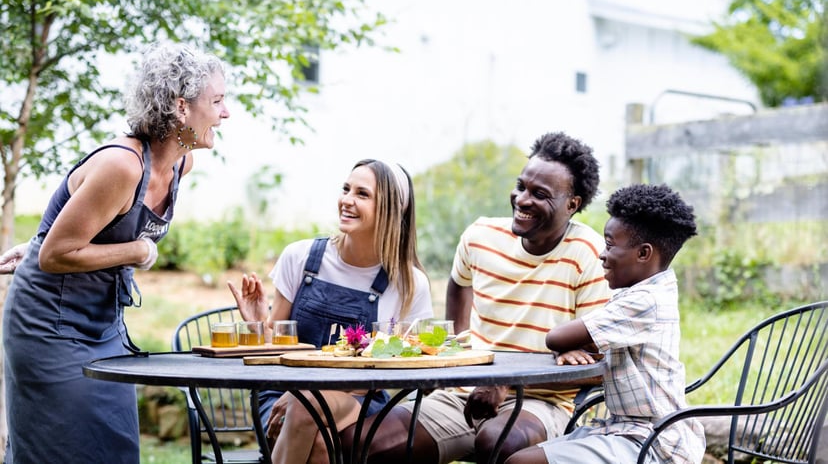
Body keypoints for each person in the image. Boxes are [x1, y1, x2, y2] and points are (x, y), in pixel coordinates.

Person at [0, 42, 230, 463]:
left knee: (115, 445)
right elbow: (55, 255)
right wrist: (137, 249)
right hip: (49, 326)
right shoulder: (123, 165)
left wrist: (38, 243)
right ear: (181, 107)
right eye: (216, 101)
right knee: (60, 449)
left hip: (105, 325)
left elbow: (80, 225)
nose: (225, 113)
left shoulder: (181, 166)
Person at [347, 131, 613, 464]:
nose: (522, 199)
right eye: (521, 186)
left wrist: (505, 380)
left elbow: (594, 360)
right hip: (463, 394)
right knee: (367, 443)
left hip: (540, 403)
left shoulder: (588, 254)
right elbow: (459, 300)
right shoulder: (480, 237)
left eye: (540, 194)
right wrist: (471, 364)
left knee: (499, 442)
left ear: (572, 205)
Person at [228, 159, 434, 464]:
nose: (347, 200)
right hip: (281, 393)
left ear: (390, 210)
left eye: (362, 194)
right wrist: (259, 323)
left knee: (306, 406)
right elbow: (273, 349)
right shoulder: (300, 257)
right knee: (318, 444)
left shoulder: (409, 283)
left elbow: (405, 367)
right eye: (346, 188)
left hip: (359, 399)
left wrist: (312, 392)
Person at [506, 183, 706, 464]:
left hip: (654, 443)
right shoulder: (647, 291)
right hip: (626, 430)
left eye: (610, 245)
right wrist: (571, 348)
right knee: (521, 457)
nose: (601, 254)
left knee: (521, 462)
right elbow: (578, 341)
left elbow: (556, 337)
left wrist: (566, 344)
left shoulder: (644, 301)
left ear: (644, 254)